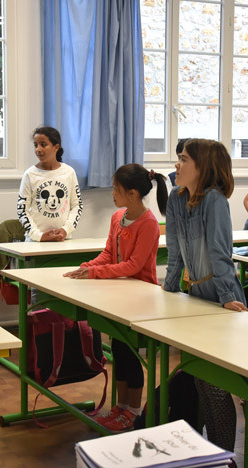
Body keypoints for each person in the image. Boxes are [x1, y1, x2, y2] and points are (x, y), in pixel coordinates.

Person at [64, 163, 168, 432]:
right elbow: (109, 254)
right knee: (120, 353)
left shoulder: (149, 224)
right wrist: (88, 266)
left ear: (132, 194)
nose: (112, 193)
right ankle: (120, 408)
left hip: (139, 298)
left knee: (132, 356)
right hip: (118, 296)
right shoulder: (117, 217)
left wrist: (96, 273)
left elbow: (133, 266)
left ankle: (133, 410)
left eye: (115, 189)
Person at [162, 138, 247, 453]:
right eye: (179, 158)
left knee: (216, 388)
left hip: (222, 298)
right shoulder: (175, 198)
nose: (177, 164)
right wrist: (169, 289)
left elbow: (220, 254)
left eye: (184, 159)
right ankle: (206, 453)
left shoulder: (214, 200)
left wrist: (226, 297)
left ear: (203, 167)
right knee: (199, 380)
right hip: (197, 297)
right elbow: (175, 253)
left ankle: (224, 455)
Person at [17, 126, 83, 242]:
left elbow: (77, 205)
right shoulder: (29, 174)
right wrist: (38, 235)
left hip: (63, 240)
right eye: (35, 145)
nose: (38, 149)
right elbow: (22, 210)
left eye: (43, 144)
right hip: (35, 242)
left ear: (56, 147)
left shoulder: (69, 172)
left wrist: (65, 230)